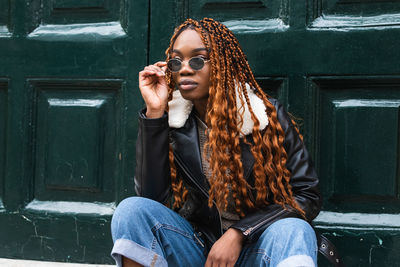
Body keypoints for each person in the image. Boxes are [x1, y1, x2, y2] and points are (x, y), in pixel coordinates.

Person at [111, 17, 322, 267]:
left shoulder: (266, 117)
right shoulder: (173, 123)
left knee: (295, 229)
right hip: (198, 250)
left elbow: (306, 195)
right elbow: (150, 199)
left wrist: (239, 233)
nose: (186, 69)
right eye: (177, 61)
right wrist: (155, 113)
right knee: (130, 210)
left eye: (198, 59)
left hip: (258, 248)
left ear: (223, 65)